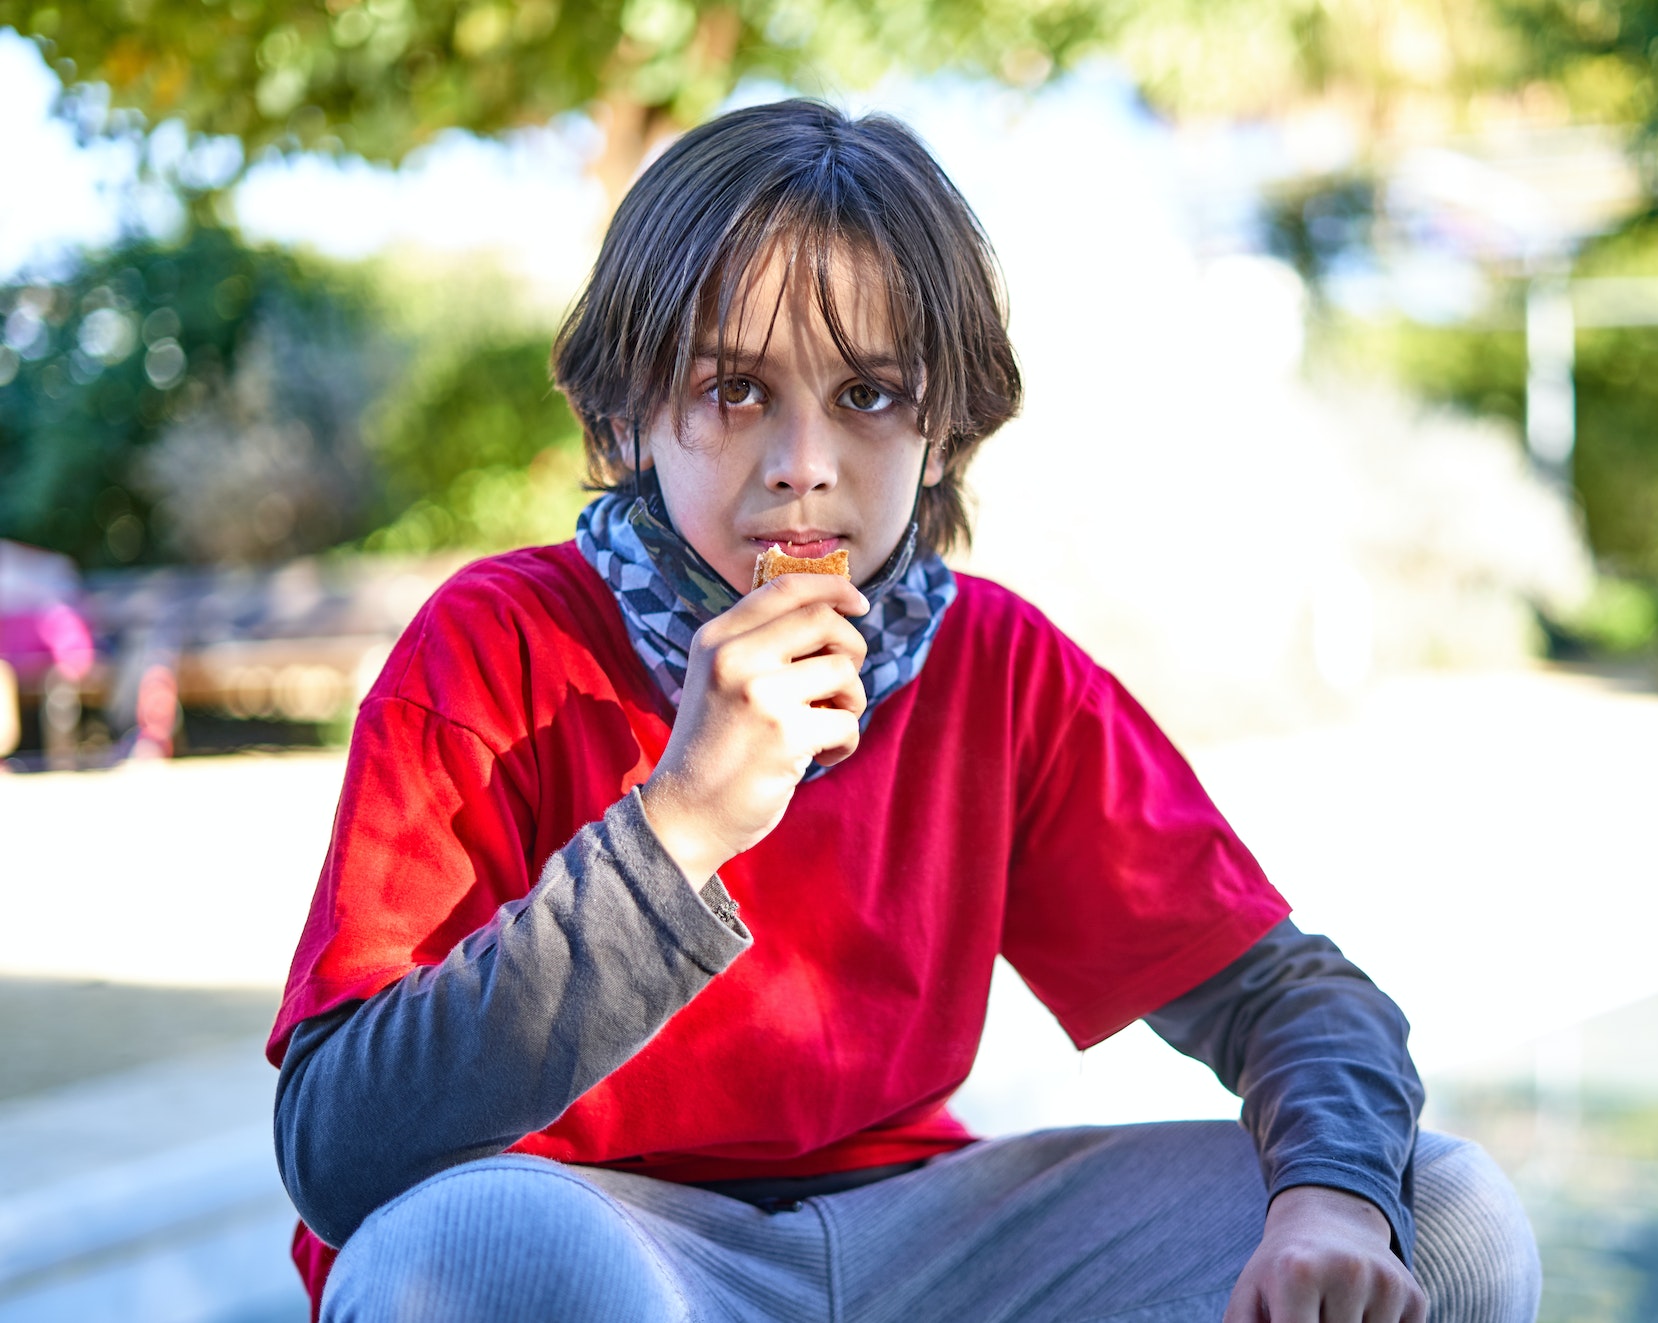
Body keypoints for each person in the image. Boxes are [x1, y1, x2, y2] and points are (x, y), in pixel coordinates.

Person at [267, 99, 1541, 1323]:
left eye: (868, 395)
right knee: (476, 1252)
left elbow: (1292, 999)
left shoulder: (997, 670)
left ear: (943, 429)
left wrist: (1326, 1211)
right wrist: (676, 830)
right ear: (628, 412)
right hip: (598, 1241)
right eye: (732, 388)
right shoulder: (500, 645)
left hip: (919, 1249)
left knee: (1437, 1210)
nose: (804, 465)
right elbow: (338, 1150)